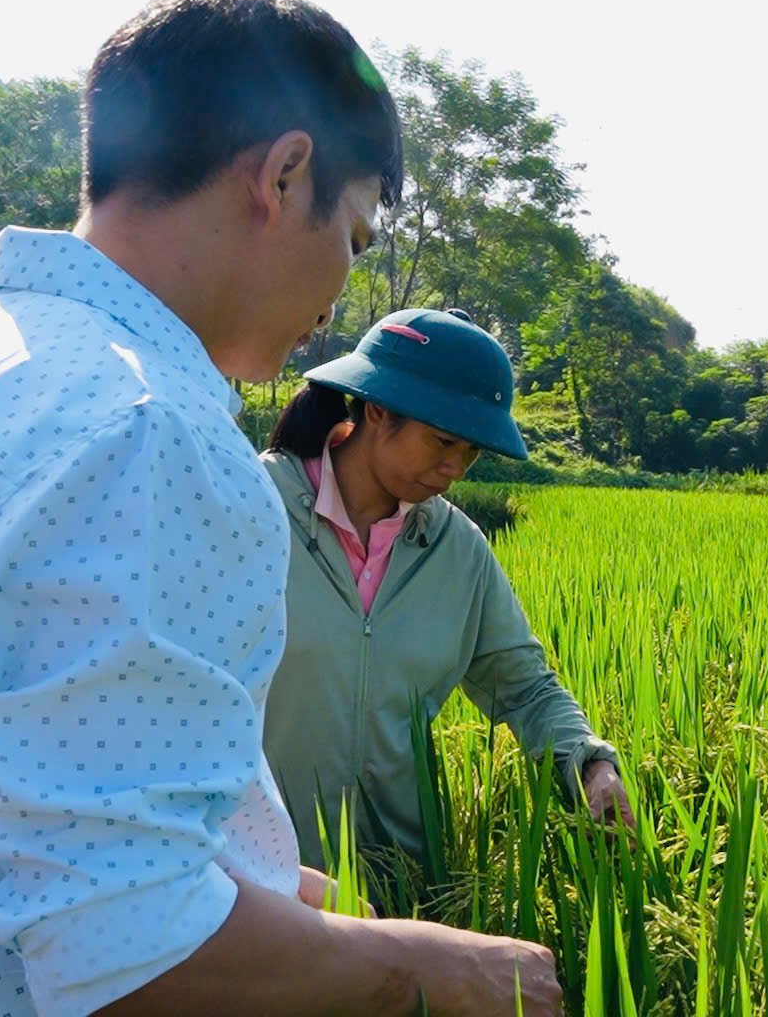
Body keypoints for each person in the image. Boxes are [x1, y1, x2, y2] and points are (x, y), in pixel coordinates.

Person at [0, 0, 560, 1016]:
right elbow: (129, 952)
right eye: (352, 233)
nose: (340, 289)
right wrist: (426, 965)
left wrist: (266, 887)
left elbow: (12, 784)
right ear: (284, 175)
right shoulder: (144, 426)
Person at [260, 309, 635, 886]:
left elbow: (523, 685)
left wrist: (591, 762)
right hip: (265, 882)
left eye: (472, 452)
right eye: (443, 441)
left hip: (402, 884)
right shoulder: (253, 509)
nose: (454, 469)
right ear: (377, 408)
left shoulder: (454, 548)